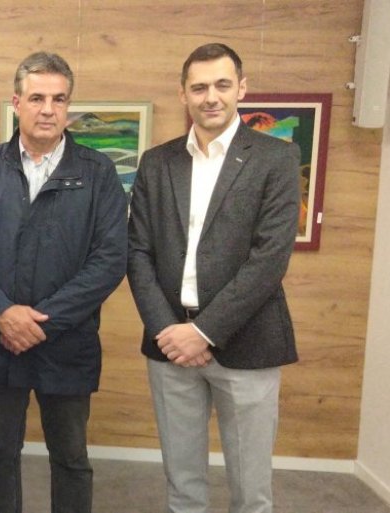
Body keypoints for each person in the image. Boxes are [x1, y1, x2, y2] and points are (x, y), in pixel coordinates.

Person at [0, 51, 128, 513]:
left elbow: (110, 260)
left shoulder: (97, 173)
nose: (48, 109)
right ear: (16, 103)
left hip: (66, 343)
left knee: (71, 459)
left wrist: (40, 322)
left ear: (68, 106)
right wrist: (2, 314)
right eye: (37, 98)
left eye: (59, 99)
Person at [126, 43, 301, 513]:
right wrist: (169, 331)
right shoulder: (157, 162)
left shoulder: (276, 158)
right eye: (199, 87)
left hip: (248, 343)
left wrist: (203, 332)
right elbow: (137, 253)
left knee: (251, 491)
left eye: (222, 85)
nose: (211, 97)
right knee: (182, 487)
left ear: (241, 88)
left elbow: (269, 260)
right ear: (183, 93)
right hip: (169, 345)